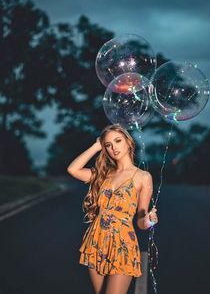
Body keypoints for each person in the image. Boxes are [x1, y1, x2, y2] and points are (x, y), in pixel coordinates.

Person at [67, 124, 158, 294]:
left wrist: (149, 221)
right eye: (108, 145)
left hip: (123, 243)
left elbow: (140, 221)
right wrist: (96, 145)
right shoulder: (103, 175)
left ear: (128, 143)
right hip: (96, 241)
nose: (113, 147)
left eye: (117, 141)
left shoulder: (143, 177)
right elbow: (73, 169)